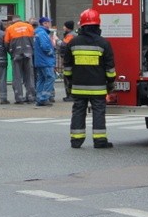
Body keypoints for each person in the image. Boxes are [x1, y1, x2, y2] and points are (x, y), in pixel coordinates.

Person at [63, 8, 116, 149]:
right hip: (98, 87)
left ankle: (76, 140)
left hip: (78, 86)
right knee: (98, 112)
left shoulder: (73, 43)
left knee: (78, 111)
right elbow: (110, 69)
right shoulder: (104, 43)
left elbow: (67, 68)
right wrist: (110, 84)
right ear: (98, 25)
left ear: (82, 25)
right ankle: (99, 141)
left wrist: (69, 84)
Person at [3, 15, 35, 104]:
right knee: (29, 76)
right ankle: (30, 96)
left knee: (17, 77)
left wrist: (11, 53)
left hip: (16, 55)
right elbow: (33, 40)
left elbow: (6, 43)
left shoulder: (10, 28)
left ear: (13, 21)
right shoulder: (29, 26)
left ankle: (19, 97)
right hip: (28, 54)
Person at [34, 16, 56, 107]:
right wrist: (51, 52)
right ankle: (44, 98)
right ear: (44, 23)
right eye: (48, 22)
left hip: (39, 60)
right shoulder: (43, 33)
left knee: (41, 79)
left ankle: (39, 98)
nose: (50, 24)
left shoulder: (37, 32)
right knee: (50, 78)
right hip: (46, 60)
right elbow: (45, 46)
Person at [57, 20, 77, 102]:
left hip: (69, 60)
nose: (63, 27)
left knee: (68, 78)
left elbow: (63, 44)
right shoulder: (71, 34)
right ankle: (70, 95)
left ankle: (71, 96)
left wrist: (56, 40)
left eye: (64, 26)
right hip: (70, 59)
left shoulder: (70, 35)